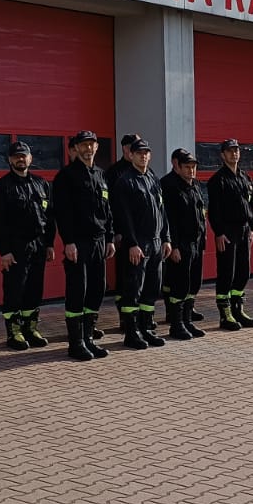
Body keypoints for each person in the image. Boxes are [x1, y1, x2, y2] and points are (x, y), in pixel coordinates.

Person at [50, 130, 115, 361]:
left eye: (91, 145)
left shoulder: (100, 174)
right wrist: (68, 241)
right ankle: (76, 343)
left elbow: (107, 210)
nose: (88, 149)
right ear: (76, 148)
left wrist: (109, 238)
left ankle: (88, 338)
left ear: (96, 147)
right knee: (78, 290)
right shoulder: (66, 176)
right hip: (78, 243)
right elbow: (62, 213)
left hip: (99, 242)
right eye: (84, 145)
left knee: (97, 289)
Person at [0, 140, 56, 350]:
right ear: (9, 159)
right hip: (16, 247)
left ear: (30, 158)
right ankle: (14, 332)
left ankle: (30, 328)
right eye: (16, 156)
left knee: (35, 289)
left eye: (23, 155)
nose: (20, 159)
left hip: (39, 246)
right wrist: (5, 251)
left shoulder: (42, 184)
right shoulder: (2, 187)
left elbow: (49, 217)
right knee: (14, 289)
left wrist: (50, 244)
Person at [111, 138, 172, 349]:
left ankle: (146, 329)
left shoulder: (153, 179)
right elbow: (123, 217)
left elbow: (162, 211)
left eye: (146, 153)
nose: (143, 156)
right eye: (139, 153)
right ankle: (131, 333)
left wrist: (166, 238)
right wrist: (132, 243)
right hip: (138, 244)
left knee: (151, 289)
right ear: (131, 155)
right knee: (133, 289)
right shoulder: (125, 181)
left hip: (156, 243)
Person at [206, 138, 253, 331]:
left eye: (236, 150)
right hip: (227, 232)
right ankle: (225, 314)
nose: (234, 153)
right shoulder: (218, 180)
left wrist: (252, 228)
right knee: (227, 272)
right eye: (229, 151)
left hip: (244, 230)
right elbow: (214, 211)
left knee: (243, 272)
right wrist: (219, 233)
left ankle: (238, 310)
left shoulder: (245, 178)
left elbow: (252, 204)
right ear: (223, 155)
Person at [160, 148, 208, 339]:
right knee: (179, 285)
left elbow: (201, 214)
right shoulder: (170, 186)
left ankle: (187, 321)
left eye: (193, 167)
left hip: (196, 243)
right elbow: (169, 219)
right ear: (177, 167)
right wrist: (174, 246)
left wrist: (202, 241)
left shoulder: (195, 185)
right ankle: (176, 324)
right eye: (187, 167)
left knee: (193, 284)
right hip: (181, 245)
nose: (191, 170)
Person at [102, 133, 141, 338]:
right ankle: (124, 317)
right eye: (134, 147)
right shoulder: (114, 173)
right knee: (125, 277)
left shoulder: (144, 171)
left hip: (142, 236)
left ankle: (140, 317)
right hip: (123, 235)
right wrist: (115, 232)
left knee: (140, 279)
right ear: (126, 149)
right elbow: (111, 207)